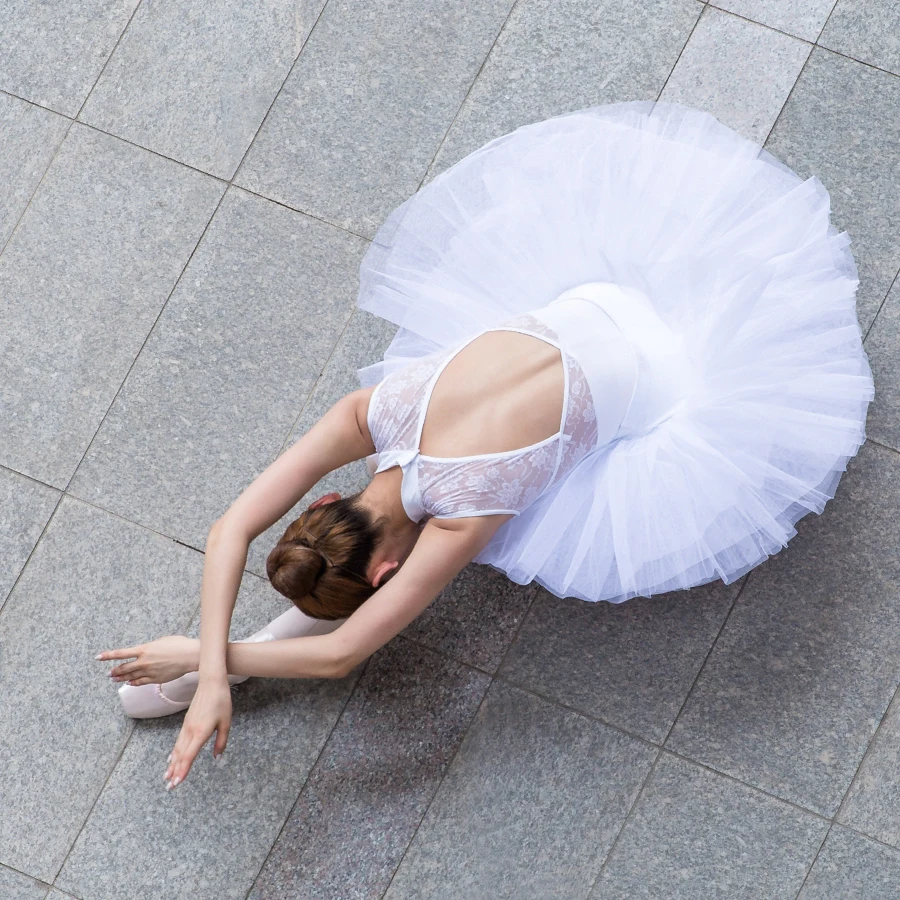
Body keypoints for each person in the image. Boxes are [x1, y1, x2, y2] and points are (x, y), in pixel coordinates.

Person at [95, 101, 874, 791]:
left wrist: (211, 666)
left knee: (537, 510)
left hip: (668, 382)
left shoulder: (469, 515)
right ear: (325, 501)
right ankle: (262, 628)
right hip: (599, 302)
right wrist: (197, 659)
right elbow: (229, 529)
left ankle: (249, 643)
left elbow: (342, 656)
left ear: (389, 569)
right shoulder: (367, 412)